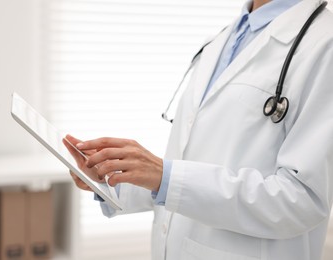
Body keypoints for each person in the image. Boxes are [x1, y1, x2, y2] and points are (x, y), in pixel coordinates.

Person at [63, 0, 333, 259]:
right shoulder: (226, 38)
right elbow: (194, 168)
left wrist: (165, 177)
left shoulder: (324, 43)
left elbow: (302, 200)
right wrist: (112, 179)